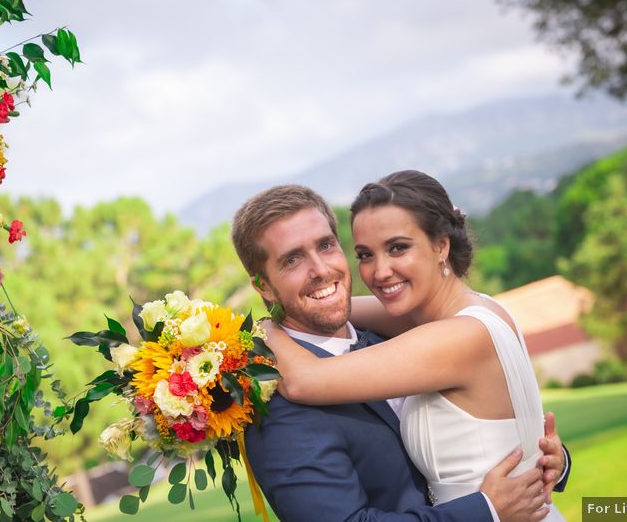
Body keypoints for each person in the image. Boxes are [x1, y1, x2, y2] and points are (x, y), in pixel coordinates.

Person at [231, 183, 569, 522]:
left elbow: (310, 374)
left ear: (441, 246)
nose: (321, 269)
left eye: (326, 245)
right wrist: (487, 510)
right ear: (263, 286)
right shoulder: (277, 404)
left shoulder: (422, 334)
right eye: (292, 259)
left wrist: (263, 328)